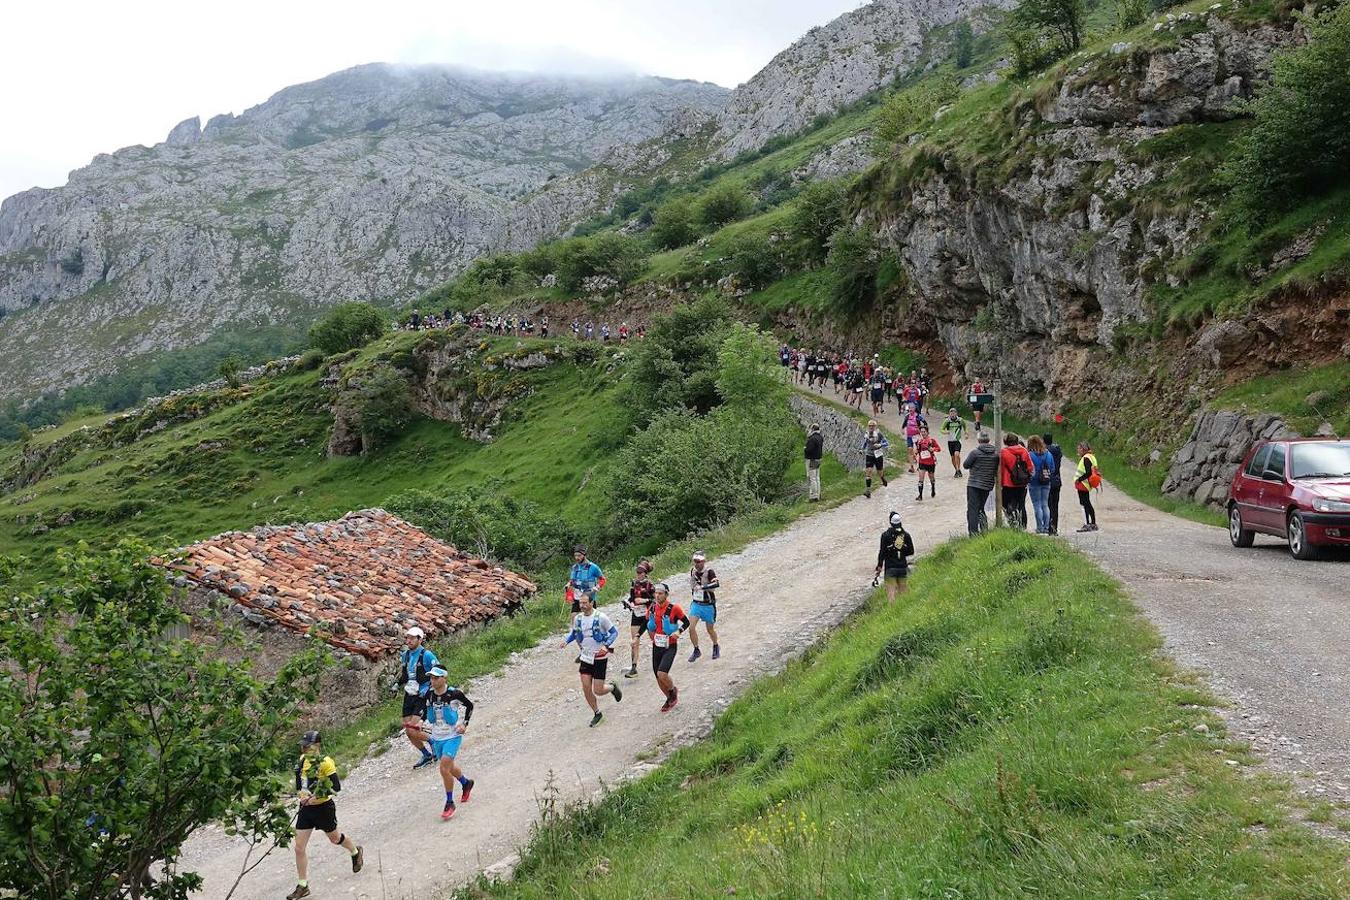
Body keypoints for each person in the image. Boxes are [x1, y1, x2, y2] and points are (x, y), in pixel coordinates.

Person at [288, 732, 363, 899]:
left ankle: (355, 851)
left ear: (318, 746)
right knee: (299, 847)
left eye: (308, 746)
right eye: (303, 746)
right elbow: (300, 784)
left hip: (323, 808)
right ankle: (303, 885)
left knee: (335, 839)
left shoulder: (325, 762)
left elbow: (336, 787)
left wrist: (316, 797)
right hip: (306, 809)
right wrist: (301, 795)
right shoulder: (302, 761)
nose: (305, 748)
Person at [419, 667, 475, 820]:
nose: (433, 681)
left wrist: (464, 724)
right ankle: (466, 783)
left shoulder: (454, 694)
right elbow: (425, 710)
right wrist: (420, 721)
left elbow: (470, 706)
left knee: (444, 768)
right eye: (431, 678)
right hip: (437, 738)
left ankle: (449, 802)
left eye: (436, 678)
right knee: (449, 767)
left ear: (444, 678)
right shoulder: (429, 694)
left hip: (452, 736)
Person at [562, 592, 623, 727]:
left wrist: (606, 646)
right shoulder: (578, 618)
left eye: (585, 603)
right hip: (586, 657)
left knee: (598, 690)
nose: (582, 606)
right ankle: (597, 713)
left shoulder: (601, 617)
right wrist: (566, 641)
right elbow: (575, 632)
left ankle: (612, 687)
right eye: (580, 603)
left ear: (591, 603)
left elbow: (614, 632)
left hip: (600, 657)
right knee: (585, 687)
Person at [396, 626, 441, 770]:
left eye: (412, 638)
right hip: (409, 695)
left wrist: (431, 689)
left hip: (422, 696)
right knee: (408, 732)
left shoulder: (427, 655)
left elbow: (439, 671)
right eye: (407, 637)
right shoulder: (406, 655)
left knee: (413, 730)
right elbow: (405, 674)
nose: (408, 640)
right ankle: (426, 754)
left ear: (420, 639)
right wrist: (397, 684)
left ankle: (433, 742)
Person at [647, 583, 690, 712]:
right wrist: (637, 636)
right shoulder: (653, 608)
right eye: (656, 593)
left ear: (666, 594)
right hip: (657, 646)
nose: (657, 595)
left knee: (662, 673)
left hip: (669, 646)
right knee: (658, 677)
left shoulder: (674, 608)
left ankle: (672, 691)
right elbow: (647, 623)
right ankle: (668, 698)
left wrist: (679, 631)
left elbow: (686, 622)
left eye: (660, 593)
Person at [622, 561, 656, 678]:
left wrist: (644, 601)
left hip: (647, 614)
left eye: (640, 572)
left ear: (645, 573)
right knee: (634, 641)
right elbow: (632, 597)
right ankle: (634, 667)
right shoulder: (634, 583)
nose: (638, 574)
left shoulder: (650, 585)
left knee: (654, 639)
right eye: (637, 572)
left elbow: (655, 600)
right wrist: (628, 603)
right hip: (636, 614)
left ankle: (662, 657)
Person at [873, 512, 915, 602]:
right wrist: (901, 552)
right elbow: (911, 551)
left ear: (890, 523)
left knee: (891, 597)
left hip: (890, 569)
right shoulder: (905, 535)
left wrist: (879, 566)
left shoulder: (885, 535)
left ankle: (893, 612)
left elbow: (882, 552)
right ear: (900, 522)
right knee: (904, 595)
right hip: (902, 568)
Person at [686, 551, 720, 662]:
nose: (697, 564)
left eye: (699, 561)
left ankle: (715, 645)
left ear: (703, 561)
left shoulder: (709, 571)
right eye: (695, 561)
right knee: (691, 628)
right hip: (696, 603)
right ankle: (696, 650)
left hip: (708, 604)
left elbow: (716, 584)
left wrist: (703, 587)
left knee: (710, 629)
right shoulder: (693, 571)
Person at [962, 431, 999, 535]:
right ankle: (984, 530)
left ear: (978, 440)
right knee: (981, 508)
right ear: (988, 440)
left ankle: (973, 533)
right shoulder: (995, 454)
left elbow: (966, 465)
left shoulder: (975, 453)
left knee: (972, 509)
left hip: (974, 484)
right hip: (987, 484)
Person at [1000, 433, 1033, 531]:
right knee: (1021, 504)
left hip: (1008, 483)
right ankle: (1023, 526)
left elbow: (1001, 469)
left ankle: (1012, 520)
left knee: (1004, 503)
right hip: (1022, 483)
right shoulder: (1024, 451)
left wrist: (1000, 482)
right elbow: (1030, 467)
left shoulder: (1003, 452)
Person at [1027, 434, 1056, 534]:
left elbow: (1028, 469)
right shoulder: (1048, 454)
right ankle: (1046, 527)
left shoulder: (1030, 455)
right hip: (1046, 482)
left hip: (1034, 482)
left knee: (1037, 505)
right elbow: (1053, 469)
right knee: (1045, 504)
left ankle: (1039, 527)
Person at [567, 545, 605, 613]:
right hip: (577, 596)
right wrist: (569, 584)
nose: (577, 558)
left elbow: (602, 579)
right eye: (575, 555)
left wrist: (597, 586)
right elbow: (572, 580)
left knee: (590, 618)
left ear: (584, 555)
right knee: (574, 618)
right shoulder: (574, 567)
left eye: (579, 555)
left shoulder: (593, 567)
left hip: (589, 596)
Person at [1074, 441, 1100, 532]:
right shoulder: (1092, 457)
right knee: (1088, 503)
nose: (1078, 450)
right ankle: (1093, 523)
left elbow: (1088, 472)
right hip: (1088, 484)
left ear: (1083, 449)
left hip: (1083, 483)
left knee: (1083, 503)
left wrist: (1079, 479)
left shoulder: (1085, 458)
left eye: (1079, 448)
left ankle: (1086, 523)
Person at [860, 421, 890, 499]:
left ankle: (882, 479)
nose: (871, 427)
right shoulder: (867, 434)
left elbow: (886, 443)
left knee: (879, 472)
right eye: (869, 426)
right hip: (869, 454)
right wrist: (862, 449)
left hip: (878, 455)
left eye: (872, 426)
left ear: (875, 426)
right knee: (868, 471)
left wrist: (880, 444)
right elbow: (865, 443)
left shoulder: (879, 434)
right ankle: (868, 491)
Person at [1043, 433, 1064, 535]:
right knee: (1055, 506)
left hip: (1048, 481)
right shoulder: (1057, 451)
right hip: (1057, 480)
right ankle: (1054, 528)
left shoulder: (1045, 452)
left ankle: (1047, 527)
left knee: (1047, 505)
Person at [914, 426, 941, 501]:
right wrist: (915, 454)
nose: (923, 433)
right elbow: (917, 450)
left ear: (927, 432)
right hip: (922, 462)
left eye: (924, 432)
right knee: (920, 479)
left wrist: (933, 449)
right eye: (921, 432)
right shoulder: (919, 441)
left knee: (931, 478)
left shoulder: (932, 441)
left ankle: (933, 488)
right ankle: (920, 495)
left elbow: (939, 449)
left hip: (930, 463)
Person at [900, 404, 927, 473]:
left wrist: (923, 431)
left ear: (915, 409)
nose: (910, 409)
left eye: (912, 408)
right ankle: (911, 467)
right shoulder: (907, 416)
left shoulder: (918, 416)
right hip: (909, 436)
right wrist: (902, 429)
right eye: (909, 408)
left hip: (916, 436)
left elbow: (925, 423)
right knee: (910, 449)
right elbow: (904, 424)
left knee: (919, 450)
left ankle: (920, 465)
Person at [940, 408, 965, 478]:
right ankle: (957, 470)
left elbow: (965, 426)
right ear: (949, 414)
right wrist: (945, 432)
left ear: (956, 413)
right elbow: (941, 429)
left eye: (954, 413)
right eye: (951, 413)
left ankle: (958, 468)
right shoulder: (947, 421)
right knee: (953, 457)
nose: (952, 414)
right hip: (950, 441)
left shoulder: (960, 420)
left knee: (957, 454)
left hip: (957, 440)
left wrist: (966, 433)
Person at [805, 423, 824, 502]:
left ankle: (814, 495)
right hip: (819, 458)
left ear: (812, 429)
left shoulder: (812, 439)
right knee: (817, 477)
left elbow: (809, 449)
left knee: (812, 478)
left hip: (812, 459)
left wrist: (805, 448)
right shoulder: (820, 437)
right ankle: (818, 493)